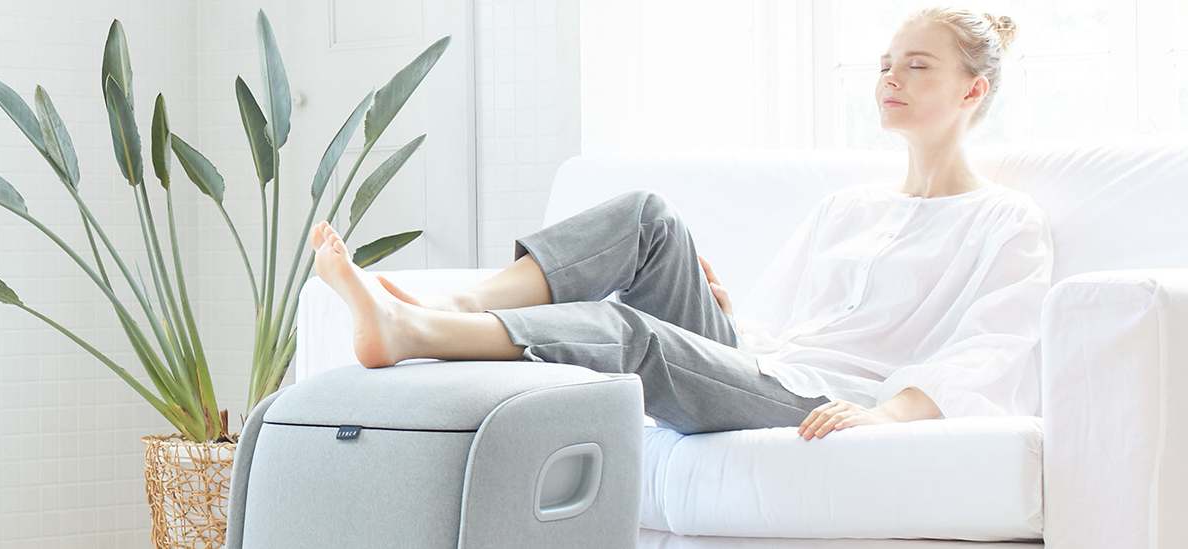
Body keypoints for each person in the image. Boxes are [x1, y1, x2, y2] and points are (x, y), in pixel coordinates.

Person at [306, 7, 1049, 441]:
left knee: (632, 331)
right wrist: (729, 317)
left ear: (972, 90)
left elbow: (991, 348)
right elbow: (775, 327)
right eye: (887, 62)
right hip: (769, 367)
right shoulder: (849, 208)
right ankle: (456, 304)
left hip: (822, 398)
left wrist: (887, 414)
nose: (889, 77)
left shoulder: (1004, 221)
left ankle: (411, 333)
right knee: (647, 217)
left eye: (917, 66)